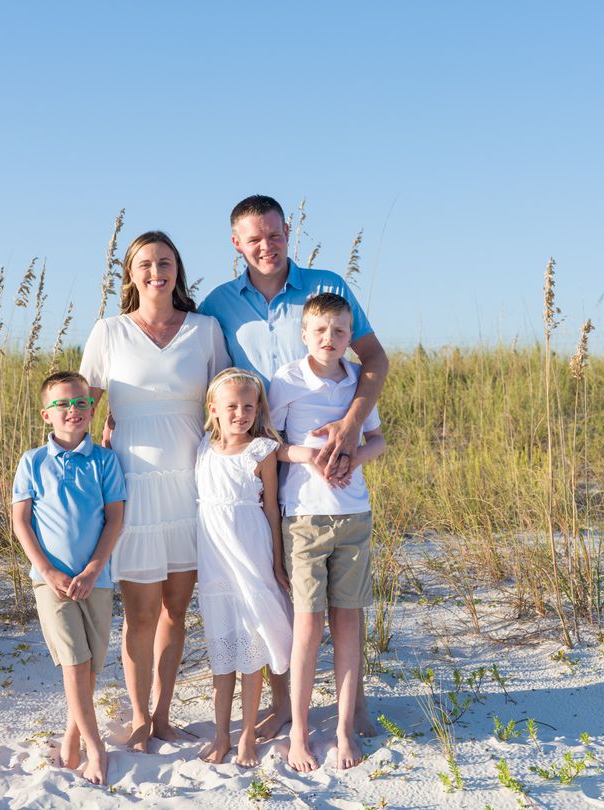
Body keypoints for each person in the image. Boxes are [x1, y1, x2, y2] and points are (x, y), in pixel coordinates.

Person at [199, 194, 389, 740]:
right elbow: (214, 386)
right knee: (277, 583)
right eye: (253, 237)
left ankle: (352, 708)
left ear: (290, 232)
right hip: (263, 459)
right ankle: (287, 707)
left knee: (341, 603)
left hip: (332, 468)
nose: (266, 245)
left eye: (275, 234)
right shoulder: (218, 304)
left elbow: (372, 358)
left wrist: (352, 427)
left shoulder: (325, 286)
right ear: (236, 243)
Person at [80, 231, 229, 752]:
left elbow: (228, 401)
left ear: (178, 270)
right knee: (140, 613)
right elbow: (81, 407)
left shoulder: (206, 330)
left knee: (175, 611)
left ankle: (164, 717)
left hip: (192, 488)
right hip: (133, 490)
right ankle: (140, 718)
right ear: (130, 274)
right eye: (145, 264)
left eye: (165, 262)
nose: (155, 271)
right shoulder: (109, 332)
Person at [269, 293, 386, 771]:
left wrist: (354, 457)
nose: (330, 340)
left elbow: (377, 439)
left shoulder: (359, 381)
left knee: (348, 624)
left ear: (350, 335)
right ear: (304, 334)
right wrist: (307, 457)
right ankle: (298, 732)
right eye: (320, 331)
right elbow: (269, 444)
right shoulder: (287, 381)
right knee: (308, 627)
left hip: (353, 515)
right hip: (304, 517)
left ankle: (341, 729)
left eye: (340, 332)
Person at [11, 371, 126, 785]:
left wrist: (95, 568)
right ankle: (96, 749)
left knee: (92, 665)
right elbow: (21, 521)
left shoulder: (105, 461)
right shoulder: (32, 462)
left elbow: (114, 518)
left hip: (97, 578)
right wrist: (47, 571)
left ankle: (72, 737)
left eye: (81, 403)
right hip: (52, 582)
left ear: (92, 409)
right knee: (74, 662)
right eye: (62, 404)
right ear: (47, 415)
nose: (73, 410)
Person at [195, 368, 293, 767]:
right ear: (213, 409)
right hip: (215, 562)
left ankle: (248, 736)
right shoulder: (202, 445)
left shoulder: (262, 451)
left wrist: (276, 562)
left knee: (252, 651)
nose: (240, 414)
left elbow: (271, 509)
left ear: (258, 410)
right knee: (223, 652)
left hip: (250, 556)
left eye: (248, 406)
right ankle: (222, 734)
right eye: (231, 406)